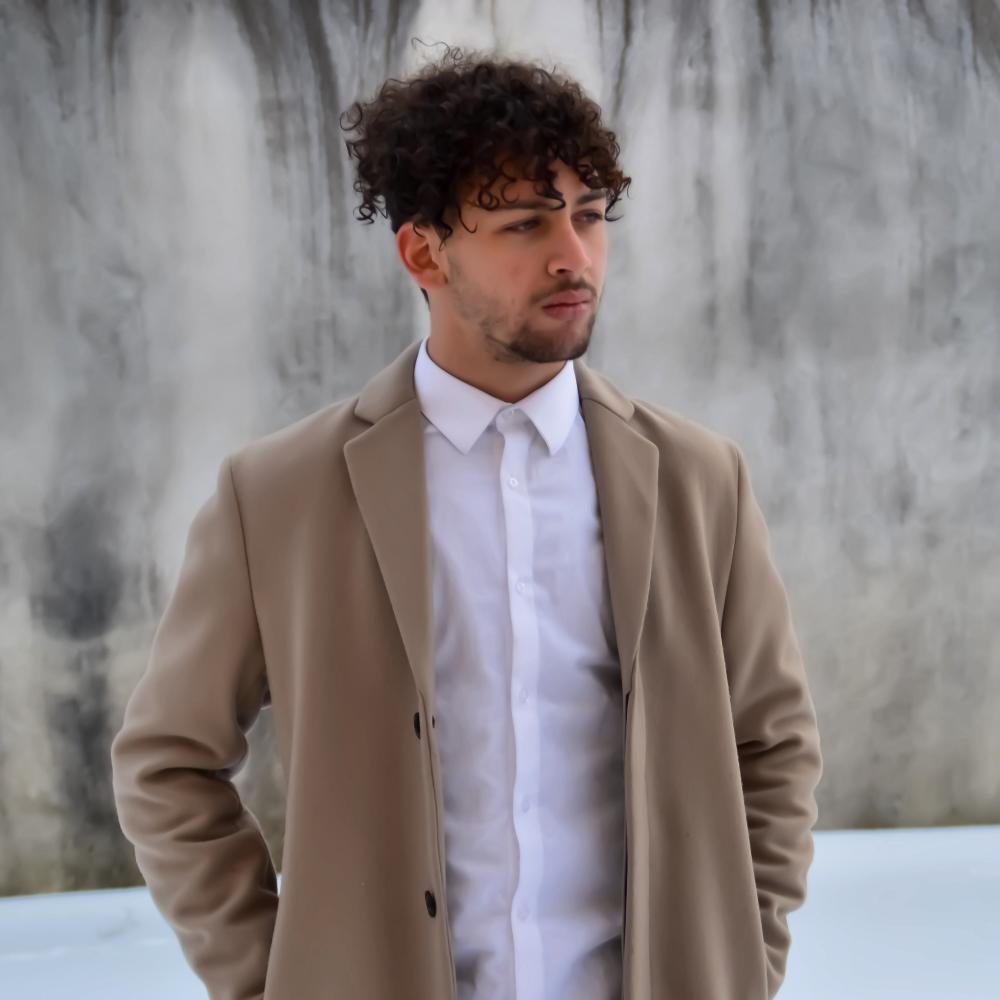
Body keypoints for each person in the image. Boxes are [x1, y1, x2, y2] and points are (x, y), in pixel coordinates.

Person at [111, 44, 823, 1000]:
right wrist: (273, 979)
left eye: (589, 216)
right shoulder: (278, 496)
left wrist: (743, 959)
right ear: (422, 253)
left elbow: (771, 747)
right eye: (525, 223)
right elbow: (168, 761)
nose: (573, 256)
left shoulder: (700, 481)